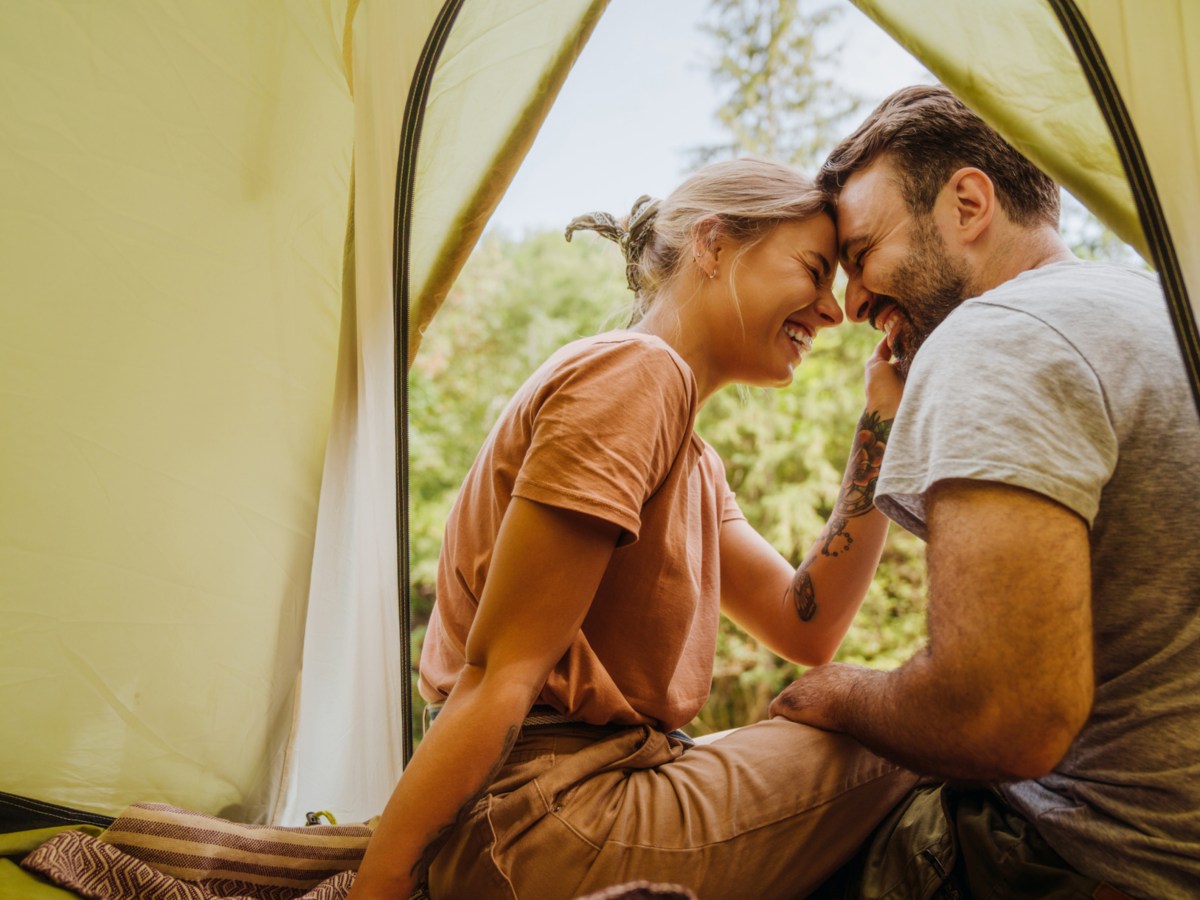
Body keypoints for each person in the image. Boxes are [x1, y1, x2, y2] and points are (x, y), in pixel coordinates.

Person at [347, 158, 918, 900]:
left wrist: (881, 421)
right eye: (813, 270)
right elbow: (498, 673)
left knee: (895, 718)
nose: (833, 309)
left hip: (594, 790)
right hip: (543, 820)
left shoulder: (691, 455)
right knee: (926, 729)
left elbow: (805, 626)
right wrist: (380, 886)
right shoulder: (635, 375)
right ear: (713, 246)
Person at [770, 85, 1200, 898]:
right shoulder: (1161, 307)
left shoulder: (994, 335)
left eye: (861, 254)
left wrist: (847, 693)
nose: (854, 302)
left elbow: (1002, 715)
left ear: (968, 203)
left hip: (1077, 861)